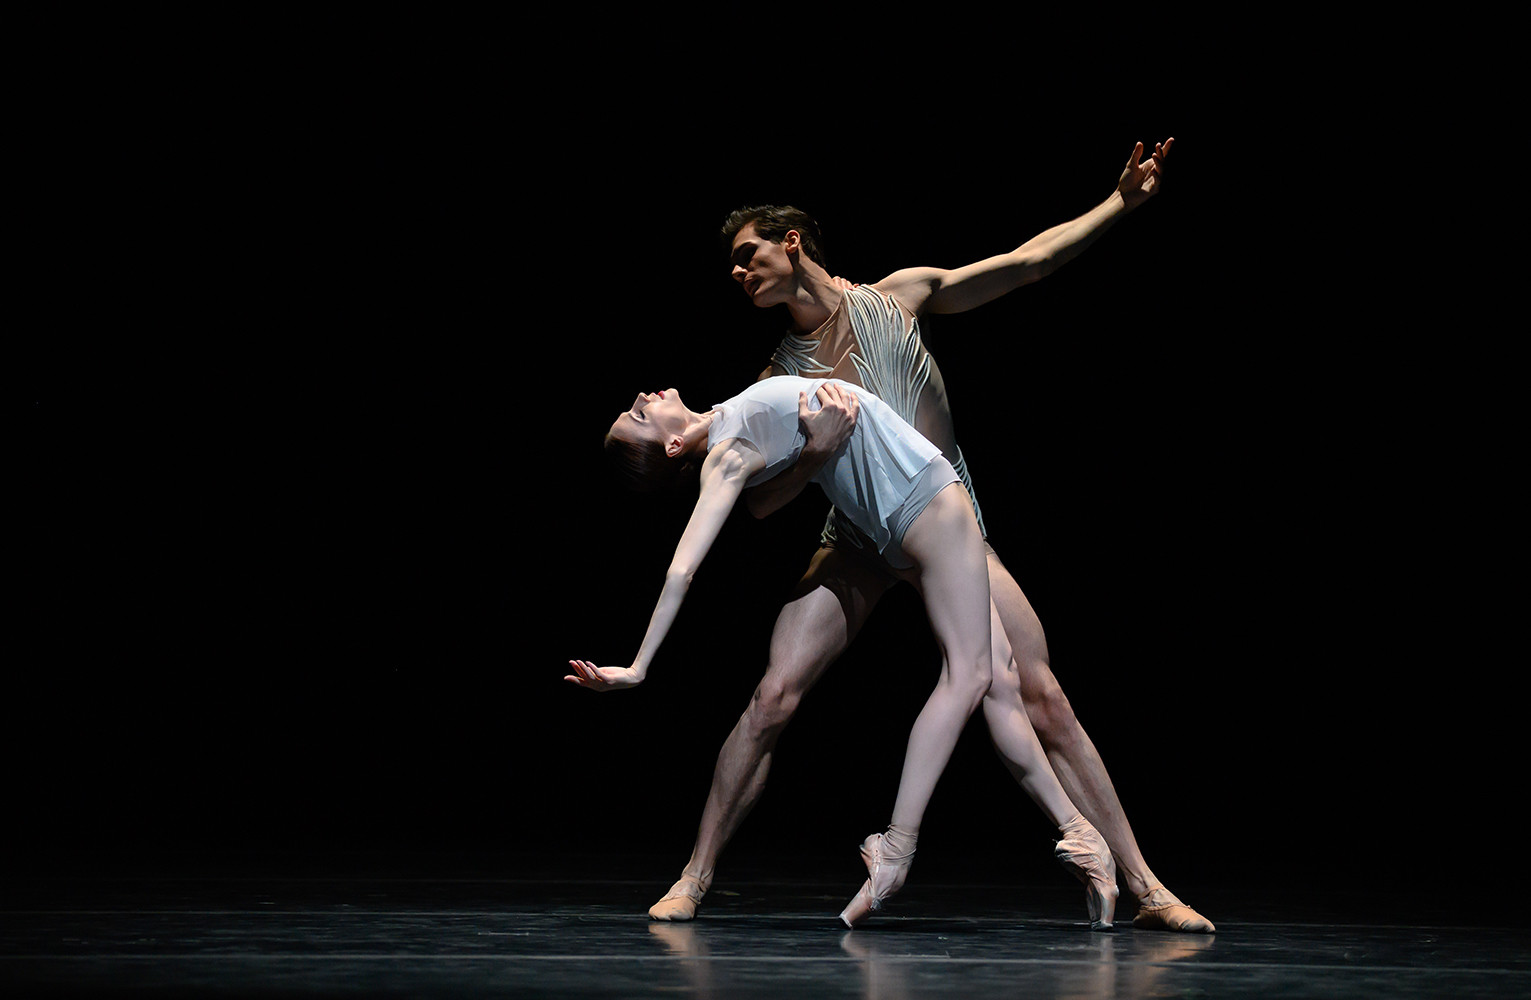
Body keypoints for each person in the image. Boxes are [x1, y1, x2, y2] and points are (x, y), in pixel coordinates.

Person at [639, 138, 1213, 933]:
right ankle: (693, 877)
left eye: (748, 255)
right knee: (772, 696)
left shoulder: (896, 296)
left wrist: (1117, 203)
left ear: (790, 241)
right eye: (733, 266)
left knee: (1039, 694)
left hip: (944, 520)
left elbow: (1026, 263)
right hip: (860, 535)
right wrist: (811, 453)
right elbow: (763, 500)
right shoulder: (778, 373)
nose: (739, 273)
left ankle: (1147, 886)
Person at [574, 378, 1118, 927]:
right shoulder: (725, 457)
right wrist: (641, 665)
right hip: (925, 500)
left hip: (914, 504)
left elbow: (767, 499)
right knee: (971, 675)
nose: (641, 399)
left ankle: (1080, 837)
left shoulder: (726, 422)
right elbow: (682, 568)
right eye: (638, 416)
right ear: (671, 448)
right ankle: (897, 848)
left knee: (997, 676)